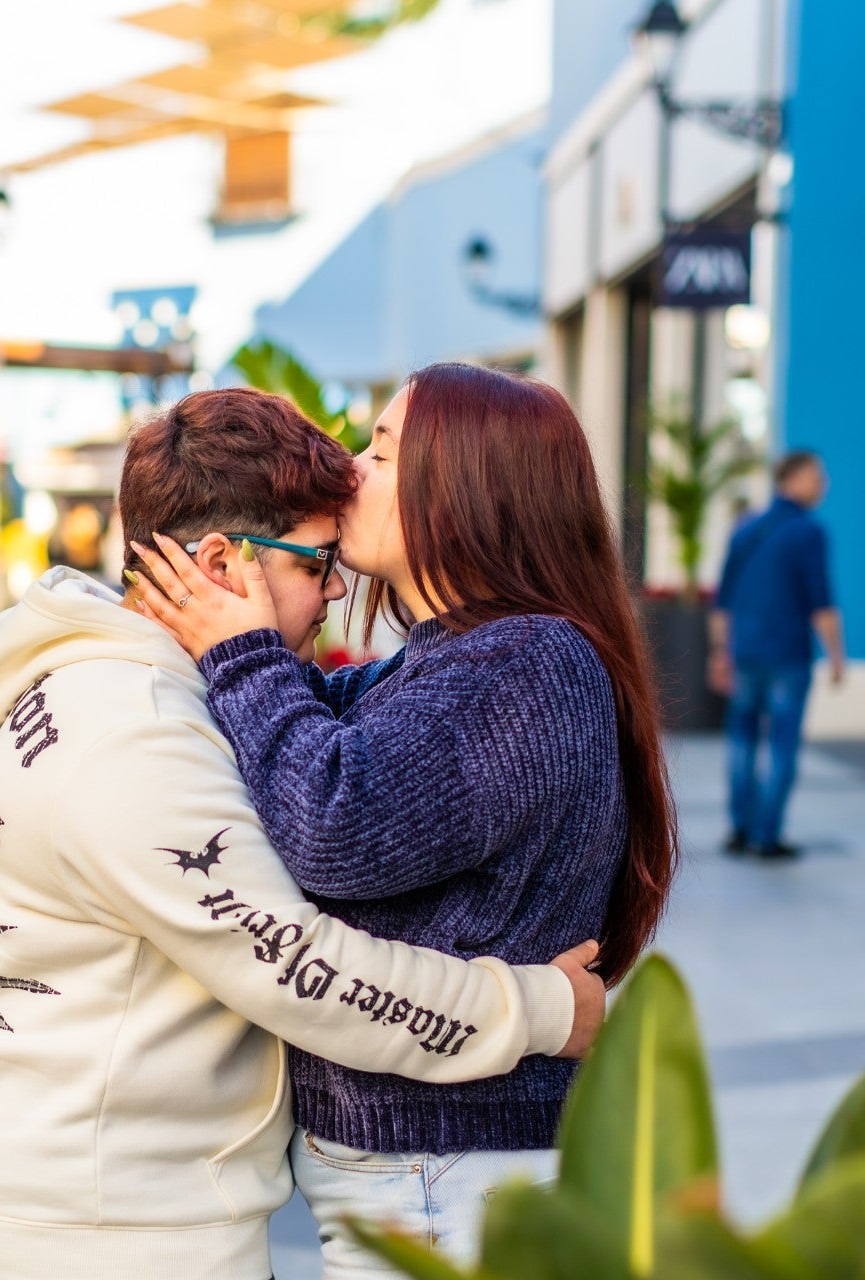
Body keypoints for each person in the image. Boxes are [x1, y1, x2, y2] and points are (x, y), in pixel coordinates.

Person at [0, 388, 607, 1280]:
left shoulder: (126, 693)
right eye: (317, 562)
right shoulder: (138, 728)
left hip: (88, 1214)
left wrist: (246, 663)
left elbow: (353, 744)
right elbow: (300, 967)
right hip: (97, 1237)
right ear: (218, 562)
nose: (331, 590)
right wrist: (542, 1009)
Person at [131, 363, 676, 1279]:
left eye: (380, 451)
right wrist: (221, 625)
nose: (349, 469)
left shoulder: (527, 664)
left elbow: (335, 819)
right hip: (429, 1167)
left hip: (450, 1173)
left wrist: (239, 652)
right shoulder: (451, 661)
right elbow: (312, 718)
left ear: (465, 487)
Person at [708, 450, 844, 860]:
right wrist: (836, 654)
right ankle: (766, 837)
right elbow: (820, 601)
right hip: (788, 653)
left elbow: (723, 598)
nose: (824, 485)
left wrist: (718, 652)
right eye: (817, 477)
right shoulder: (808, 532)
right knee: (782, 742)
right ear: (796, 478)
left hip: (745, 651)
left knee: (741, 739)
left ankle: (739, 828)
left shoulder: (746, 529)